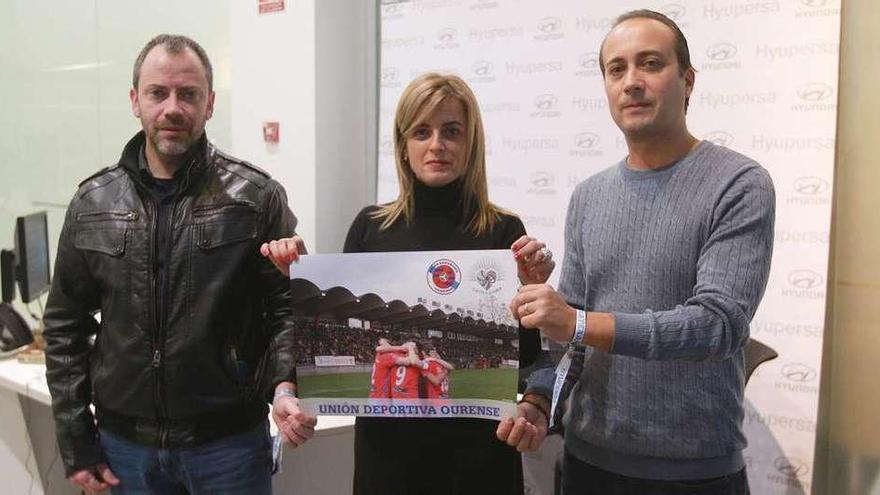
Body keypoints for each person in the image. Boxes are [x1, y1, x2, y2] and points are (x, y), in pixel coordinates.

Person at [500, 10, 774, 494]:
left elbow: (717, 324)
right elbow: (571, 346)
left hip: (696, 477)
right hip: (586, 468)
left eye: (650, 64)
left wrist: (579, 322)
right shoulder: (589, 196)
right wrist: (539, 403)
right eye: (617, 69)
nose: (632, 82)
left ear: (688, 82)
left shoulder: (738, 184)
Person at [43, 34, 316, 494]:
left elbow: (287, 310)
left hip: (229, 447)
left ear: (209, 104)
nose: (173, 107)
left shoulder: (254, 198)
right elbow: (65, 327)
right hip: (124, 450)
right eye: (158, 93)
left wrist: (284, 387)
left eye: (188, 94)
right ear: (135, 101)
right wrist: (75, 440)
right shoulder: (93, 202)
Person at [265, 73, 555, 494]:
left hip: (479, 461)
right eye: (422, 131)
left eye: (451, 131)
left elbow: (521, 357)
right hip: (389, 461)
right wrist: (289, 379)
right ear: (404, 145)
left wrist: (529, 292)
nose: (436, 144)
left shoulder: (503, 230)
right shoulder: (370, 228)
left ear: (470, 141)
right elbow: (330, 336)